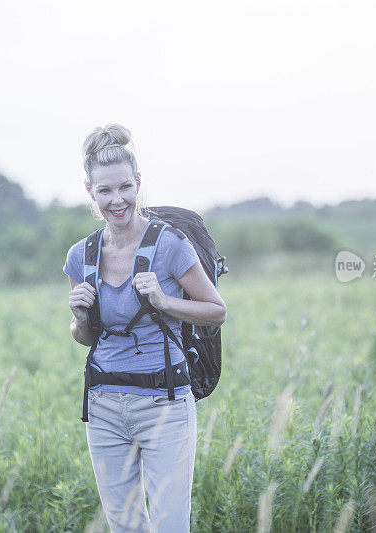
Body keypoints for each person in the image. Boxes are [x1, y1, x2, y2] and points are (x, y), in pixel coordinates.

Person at [64, 124, 227, 532]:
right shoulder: (79, 256)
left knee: (170, 525)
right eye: (104, 191)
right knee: (125, 527)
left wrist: (164, 301)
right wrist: (80, 317)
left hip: (165, 402)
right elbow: (86, 337)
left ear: (138, 183)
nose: (116, 200)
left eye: (124, 187)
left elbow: (216, 310)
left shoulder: (170, 244)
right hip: (103, 404)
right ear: (90, 192)